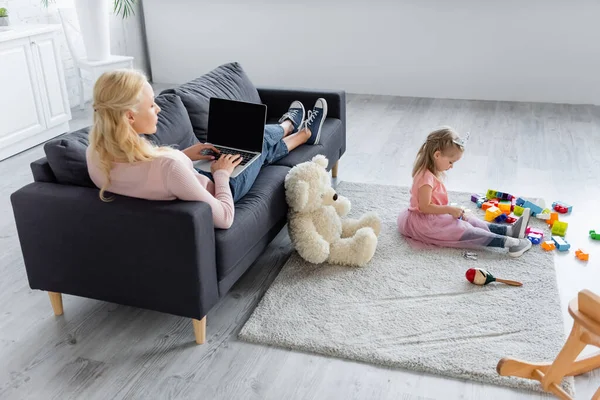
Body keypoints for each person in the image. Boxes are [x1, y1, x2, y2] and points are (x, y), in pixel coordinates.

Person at [86, 69, 327, 229]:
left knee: (251, 149)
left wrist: (185, 154)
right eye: (151, 105)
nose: (158, 109)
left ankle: (297, 129)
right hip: (223, 188)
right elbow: (224, 218)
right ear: (129, 116)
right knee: (254, 142)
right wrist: (221, 174)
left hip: (192, 179)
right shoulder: (168, 166)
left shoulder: (95, 154)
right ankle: (296, 128)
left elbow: (148, 175)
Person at [397, 127, 533, 257]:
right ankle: (512, 244)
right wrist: (449, 209)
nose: (451, 167)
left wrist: (450, 210)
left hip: (433, 216)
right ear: (437, 155)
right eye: (451, 162)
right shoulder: (425, 178)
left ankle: (509, 231)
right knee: (465, 231)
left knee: (469, 219)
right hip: (424, 223)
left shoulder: (430, 173)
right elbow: (424, 207)